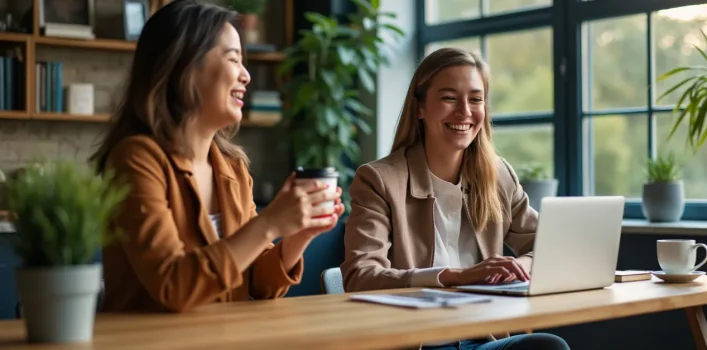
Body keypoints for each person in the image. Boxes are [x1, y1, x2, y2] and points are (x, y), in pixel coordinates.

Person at [90, 0, 344, 313]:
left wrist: (295, 238)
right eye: (233, 59)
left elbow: (259, 284)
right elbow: (173, 285)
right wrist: (268, 223)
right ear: (185, 67)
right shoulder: (135, 159)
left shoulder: (233, 169)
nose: (246, 75)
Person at [340, 47, 570, 350]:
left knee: (547, 345)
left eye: (476, 99)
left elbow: (549, 247)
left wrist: (517, 266)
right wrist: (457, 276)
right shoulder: (379, 180)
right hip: (415, 343)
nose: (465, 112)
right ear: (419, 107)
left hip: (481, 339)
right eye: (449, 98)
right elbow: (362, 277)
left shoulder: (499, 176)